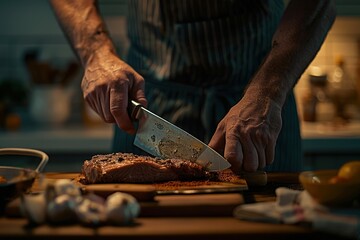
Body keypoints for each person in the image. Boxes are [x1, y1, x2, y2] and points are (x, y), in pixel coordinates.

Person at [50, 0, 336, 174]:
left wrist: (267, 93)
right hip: (148, 104)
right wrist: (96, 53)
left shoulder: (263, 104)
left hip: (259, 117)